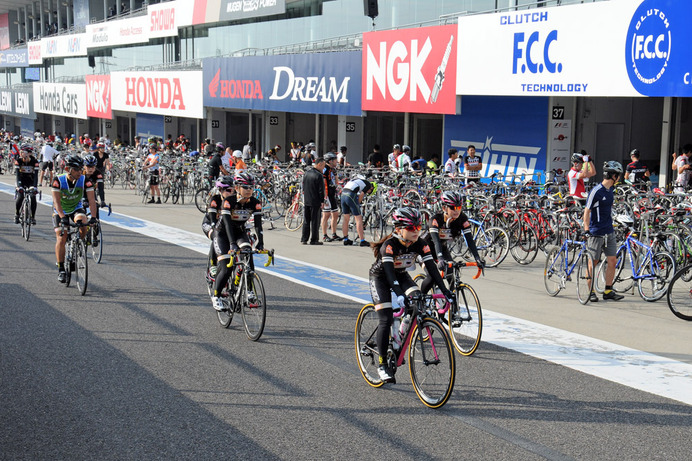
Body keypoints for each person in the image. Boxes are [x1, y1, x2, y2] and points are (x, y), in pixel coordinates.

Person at [369, 207, 454, 382]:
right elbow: (389, 275)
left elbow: (432, 269)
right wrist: (400, 295)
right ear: (399, 229)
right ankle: (382, 363)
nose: (416, 232)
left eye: (418, 227)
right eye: (411, 228)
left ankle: (399, 335)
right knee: (385, 318)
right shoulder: (389, 246)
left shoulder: (420, 244)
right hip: (381, 279)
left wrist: (446, 291)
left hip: (401, 276)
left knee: (417, 301)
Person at [210, 171, 264, 311]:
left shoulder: (255, 203)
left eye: (251, 187)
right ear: (238, 187)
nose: (249, 190)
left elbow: (258, 225)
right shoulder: (229, 202)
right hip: (222, 234)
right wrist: (232, 244)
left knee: (248, 254)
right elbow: (227, 225)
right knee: (227, 266)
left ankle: (250, 290)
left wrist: (261, 242)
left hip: (240, 232)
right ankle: (216, 296)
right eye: (245, 187)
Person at [420, 191, 484, 294]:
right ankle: (419, 302)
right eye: (453, 208)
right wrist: (440, 259)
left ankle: (453, 307)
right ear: (444, 208)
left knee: (451, 275)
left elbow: (470, 240)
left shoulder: (462, 219)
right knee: (432, 276)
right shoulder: (436, 220)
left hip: (442, 248)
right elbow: (436, 241)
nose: (456, 211)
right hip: (424, 249)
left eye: (459, 207)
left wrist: (477, 258)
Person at [52, 155, 98, 283]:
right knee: (61, 237)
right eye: (76, 169)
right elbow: (56, 202)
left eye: (80, 169)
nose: (79, 172)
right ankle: (61, 268)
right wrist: (62, 218)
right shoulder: (58, 180)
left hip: (76, 208)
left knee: (83, 224)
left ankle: (78, 245)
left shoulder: (85, 180)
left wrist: (93, 217)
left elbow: (91, 200)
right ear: (68, 169)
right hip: (60, 210)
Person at [583, 161, 625, 302]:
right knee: (593, 262)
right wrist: (586, 229)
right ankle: (591, 291)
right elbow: (587, 211)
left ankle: (608, 290)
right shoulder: (596, 191)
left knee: (612, 260)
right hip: (596, 231)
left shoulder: (611, 190)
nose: (619, 178)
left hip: (609, 231)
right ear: (612, 175)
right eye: (618, 175)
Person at [202, 175, 233, 282]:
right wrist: (214, 226)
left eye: (233, 190)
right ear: (221, 190)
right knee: (216, 235)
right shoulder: (215, 200)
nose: (232, 192)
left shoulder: (233, 201)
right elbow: (212, 218)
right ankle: (213, 265)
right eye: (229, 190)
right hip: (209, 223)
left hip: (223, 225)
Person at [341, 174, 375, 246]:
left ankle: (345, 239)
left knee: (346, 218)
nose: (368, 193)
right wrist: (357, 205)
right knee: (358, 218)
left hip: (343, 194)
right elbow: (362, 194)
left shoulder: (357, 180)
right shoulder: (368, 184)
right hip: (350, 194)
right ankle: (362, 240)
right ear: (371, 188)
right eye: (369, 192)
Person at [301, 157, 326, 245]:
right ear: (319, 164)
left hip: (307, 199)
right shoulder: (319, 175)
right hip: (315, 201)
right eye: (323, 166)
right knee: (315, 221)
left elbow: (303, 186)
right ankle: (314, 239)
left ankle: (304, 239)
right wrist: (322, 201)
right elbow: (320, 190)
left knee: (306, 220)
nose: (323, 168)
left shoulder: (307, 173)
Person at [14, 144, 39, 225]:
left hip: (30, 181)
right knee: (21, 196)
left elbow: (36, 175)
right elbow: (17, 175)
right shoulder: (18, 161)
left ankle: (33, 217)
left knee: (33, 197)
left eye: (23, 152)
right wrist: (19, 186)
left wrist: (35, 187)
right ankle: (17, 214)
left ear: (29, 153)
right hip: (21, 180)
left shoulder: (35, 162)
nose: (21, 153)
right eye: (20, 152)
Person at [321, 153, 342, 242]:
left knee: (335, 214)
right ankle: (325, 235)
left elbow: (336, 181)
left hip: (332, 193)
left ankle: (334, 234)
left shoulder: (332, 169)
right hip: (327, 194)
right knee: (326, 215)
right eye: (335, 160)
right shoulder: (325, 169)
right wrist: (324, 195)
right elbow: (323, 182)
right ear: (330, 161)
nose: (336, 162)